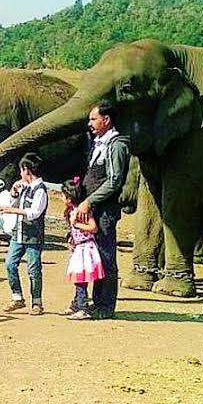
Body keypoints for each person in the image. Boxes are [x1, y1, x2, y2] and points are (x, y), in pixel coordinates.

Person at [76, 100, 130, 320]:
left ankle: (104, 306)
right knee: (91, 255)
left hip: (105, 210)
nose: (90, 123)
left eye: (93, 119)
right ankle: (86, 302)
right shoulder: (98, 143)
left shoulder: (116, 145)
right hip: (92, 208)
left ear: (106, 120)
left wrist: (89, 201)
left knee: (105, 257)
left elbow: (114, 180)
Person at [0, 153, 48, 316]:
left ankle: (37, 302)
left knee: (33, 268)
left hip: (33, 235)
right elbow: (13, 203)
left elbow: (34, 212)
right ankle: (17, 297)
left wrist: (12, 210)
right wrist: (13, 192)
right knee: (10, 264)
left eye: (21, 170)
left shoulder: (41, 190)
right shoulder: (23, 187)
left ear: (26, 170)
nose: (20, 174)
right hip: (18, 233)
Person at [59, 176, 104, 320]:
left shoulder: (81, 211)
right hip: (79, 248)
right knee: (79, 278)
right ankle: (77, 304)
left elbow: (93, 228)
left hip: (86, 249)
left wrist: (76, 224)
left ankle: (83, 307)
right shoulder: (72, 210)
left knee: (80, 279)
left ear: (69, 197)